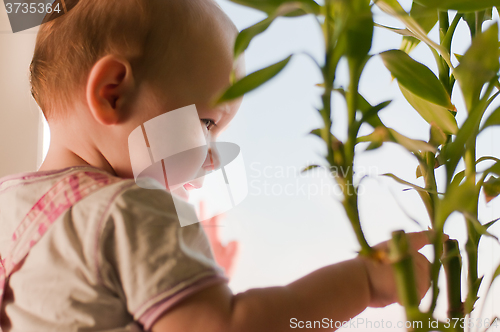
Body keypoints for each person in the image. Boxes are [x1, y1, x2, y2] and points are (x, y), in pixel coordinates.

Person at [0, 0, 439, 331]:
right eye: (207, 122)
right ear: (113, 93)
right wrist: (362, 284)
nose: (211, 154)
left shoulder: (6, 204)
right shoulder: (131, 212)